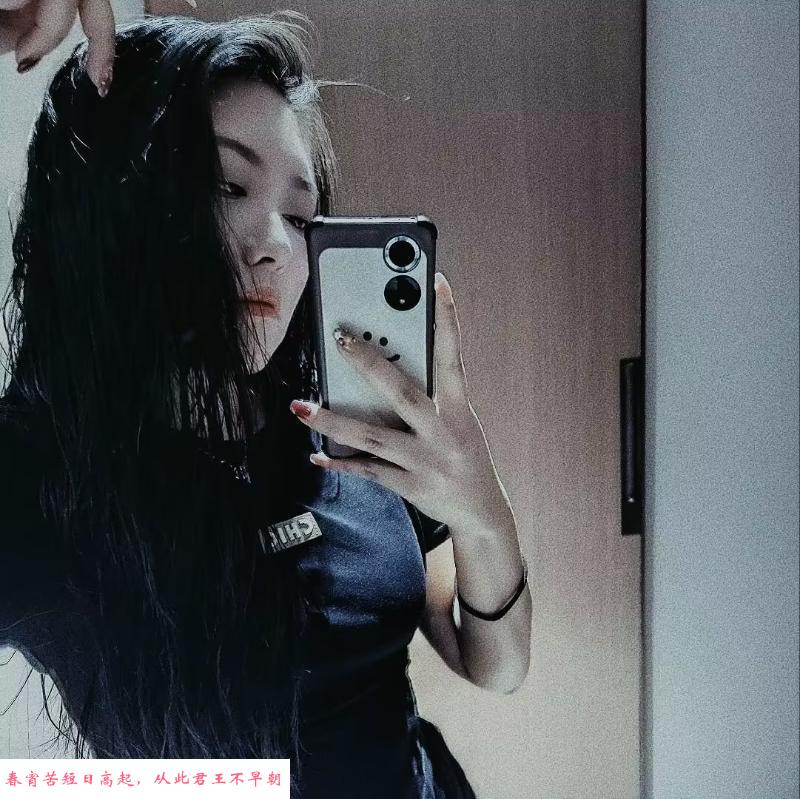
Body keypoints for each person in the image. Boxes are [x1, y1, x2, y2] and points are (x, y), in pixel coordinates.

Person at [0, 11, 531, 799]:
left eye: (302, 216)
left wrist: (482, 513)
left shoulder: (348, 420)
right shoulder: (40, 469)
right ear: (113, 205)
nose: (278, 243)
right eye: (227, 185)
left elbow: (495, 663)